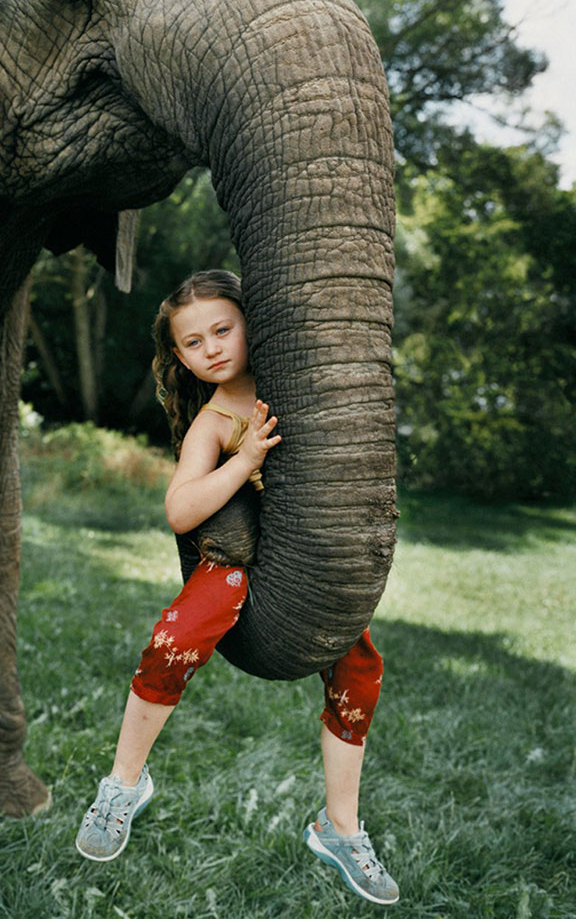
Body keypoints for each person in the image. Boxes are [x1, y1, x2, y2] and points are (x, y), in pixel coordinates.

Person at [74, 270, 399, 906]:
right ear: (180, 359)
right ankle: (122, 784)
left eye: (223, 329)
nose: (213, 349)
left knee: (360, 667)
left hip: (306, 572)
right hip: (236, 567)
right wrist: (243, 462)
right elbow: (180, 509)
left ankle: (340, 828)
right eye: (193, 343)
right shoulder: (215, 421)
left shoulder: (296, 387)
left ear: (254, 323)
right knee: (175, 638)